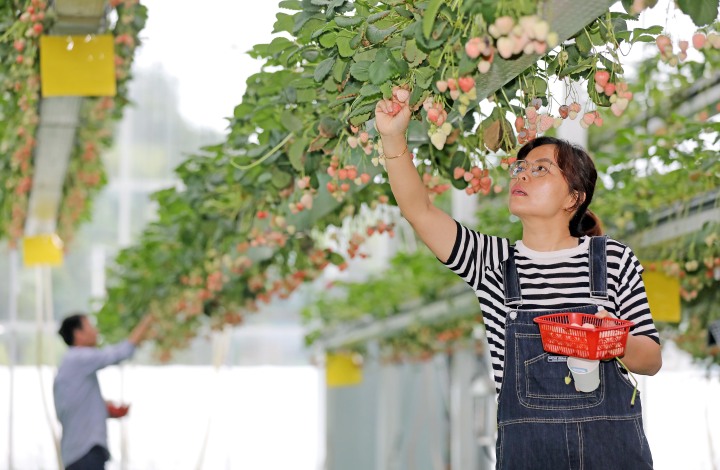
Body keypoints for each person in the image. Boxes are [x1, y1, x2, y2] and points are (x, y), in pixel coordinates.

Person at [375, 89, 662, 469]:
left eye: (541, 168)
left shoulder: (611, 258)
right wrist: (393, 137)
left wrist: (612, 339)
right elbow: (420, 211)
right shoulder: (493, 263)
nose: (522, 173)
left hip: (611, 454)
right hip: (529, 454)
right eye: (519, 168)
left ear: (573, 197)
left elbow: (651, 358)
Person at [53, 313, 153, 470]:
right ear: (78, 334)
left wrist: (106, 410)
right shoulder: (78, 358)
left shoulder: (70, 364)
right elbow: (120, 353)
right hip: (85, 453)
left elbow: (73, 406)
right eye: (90, 327)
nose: (96, 331)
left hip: (77, 454)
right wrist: (147, 322)